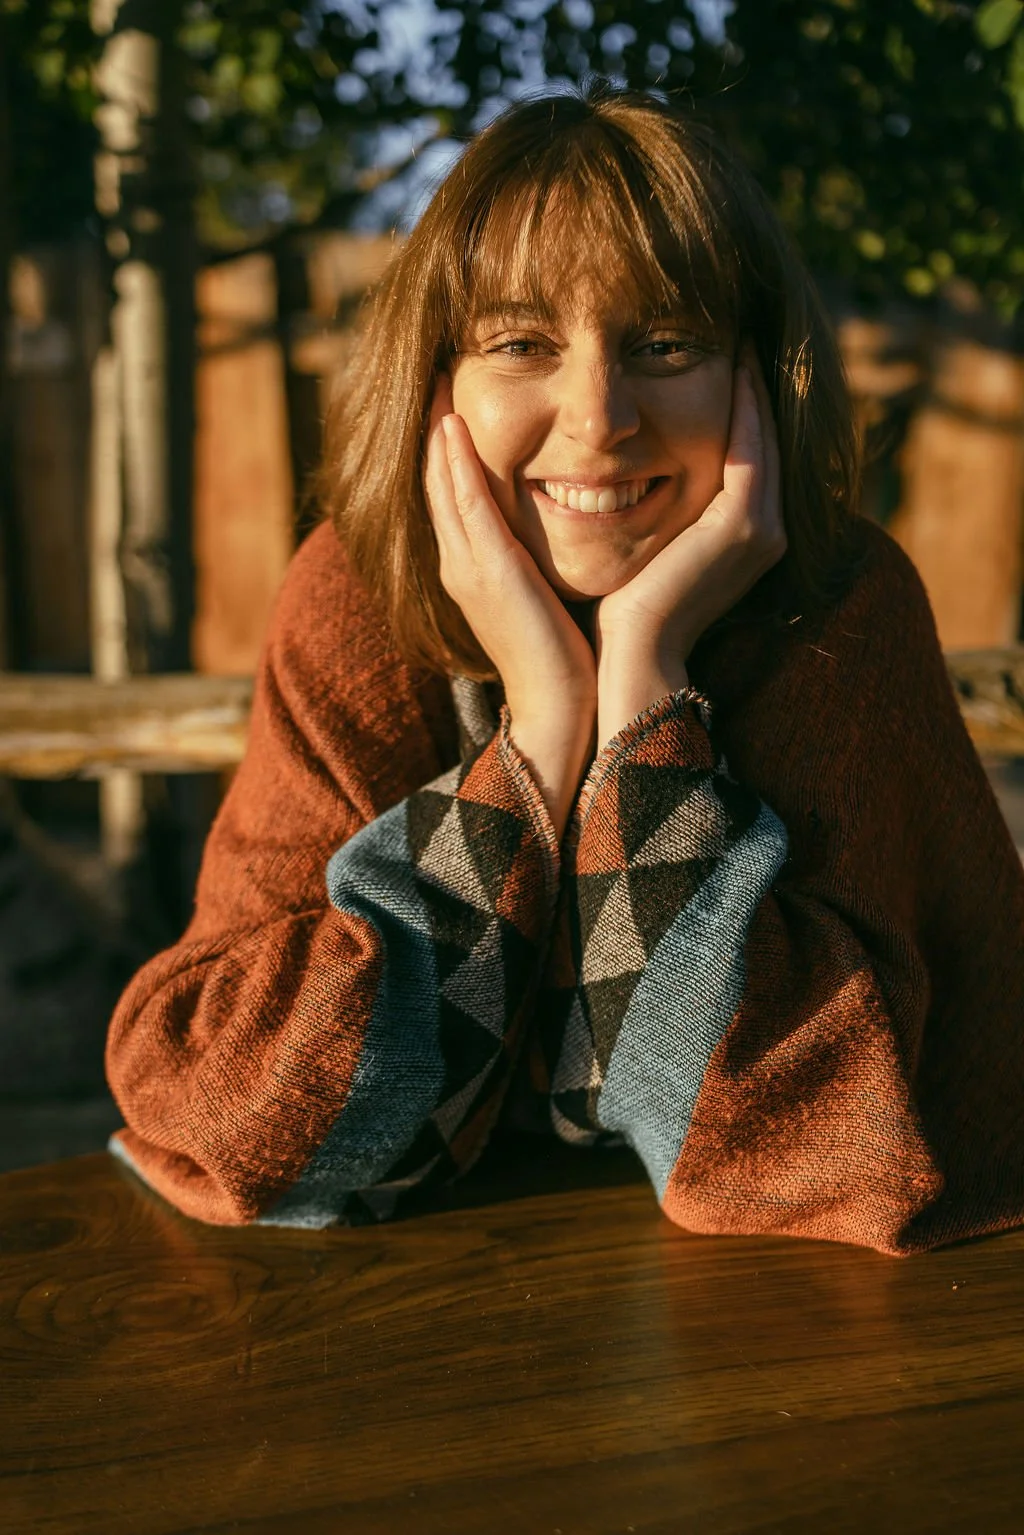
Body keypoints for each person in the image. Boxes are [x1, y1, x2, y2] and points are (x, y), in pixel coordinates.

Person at [105, 83, 1024, 1254]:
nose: (597, 416)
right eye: (521, 343)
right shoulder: (358, 596)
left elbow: (818, 1136)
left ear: (756, 372)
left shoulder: (839, 603)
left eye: (664, 343)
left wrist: (644, 688)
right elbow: (238, 1108)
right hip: (407, 1321)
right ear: (436, 381)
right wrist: (539, 733)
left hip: (790, 1339)